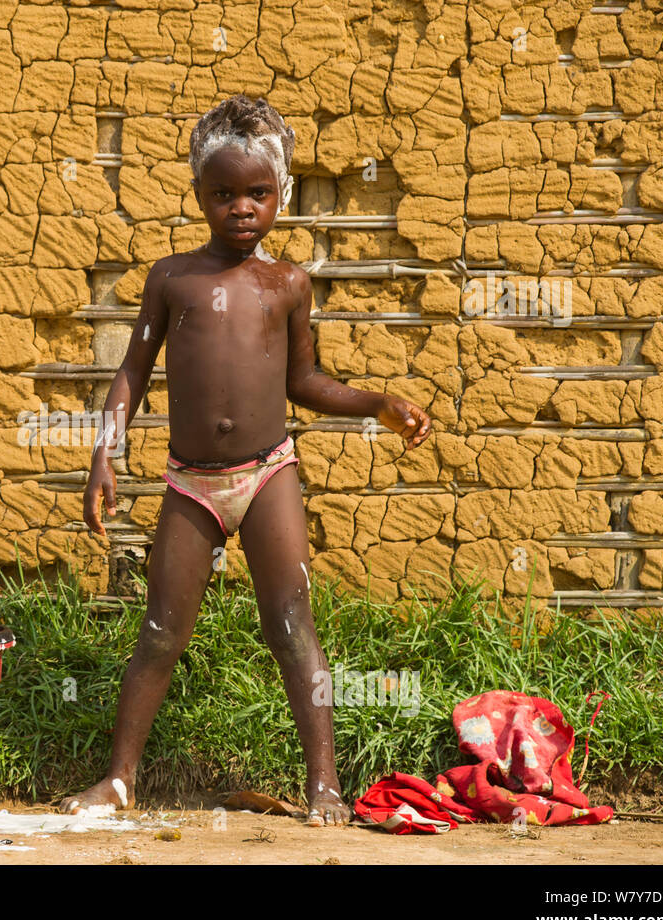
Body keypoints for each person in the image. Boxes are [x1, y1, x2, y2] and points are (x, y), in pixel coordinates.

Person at [61, 94, 433, 826]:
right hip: (191, 482)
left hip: (268, 474)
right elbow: (131, 372)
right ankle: (118, 781)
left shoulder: (288, 284)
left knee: (292, 620)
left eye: (257, 193)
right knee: (161, 630)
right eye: (223, 193)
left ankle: (324, 783)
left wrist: (377, 401)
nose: (240, 208)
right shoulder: (173, 279)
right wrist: (104, 456)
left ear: (280, 196)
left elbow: (305, 382)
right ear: (199, 194)